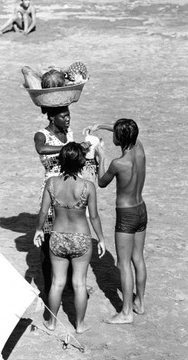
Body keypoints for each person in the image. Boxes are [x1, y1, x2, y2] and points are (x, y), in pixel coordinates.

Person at [33, 142, 106, 334]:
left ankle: (51, 323)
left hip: (57, 236)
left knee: (57, 282)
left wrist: (39, 230)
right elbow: (95, 216)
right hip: (81, 237)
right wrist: (101, 239)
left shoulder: (52, 183)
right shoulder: (87, 186)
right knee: (79, 283)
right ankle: (80, 325)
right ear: (82, 162)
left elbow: (43, 211)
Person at [90, 118, 147, 324]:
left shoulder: (118, 163)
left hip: (126, 214)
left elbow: (102, 181)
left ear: (119, 138)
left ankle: (126, 313)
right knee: (138, 259)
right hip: (141, 209)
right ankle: (139, 303)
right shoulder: (139, 149)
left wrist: (100, 157)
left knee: (123, 264)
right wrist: (100, 125)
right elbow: (123, 128)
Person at [34, 106, 74, 295]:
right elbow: (41, 149)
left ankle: (72, 284)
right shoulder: (41, 135)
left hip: (71, 190)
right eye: (63, 116)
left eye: (68, 115)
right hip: (51, 191)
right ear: (51, 117)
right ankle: (48, 288)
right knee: (49, 240)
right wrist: (68, 148)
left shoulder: (69, 133)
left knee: (72, 237)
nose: (68, 119)